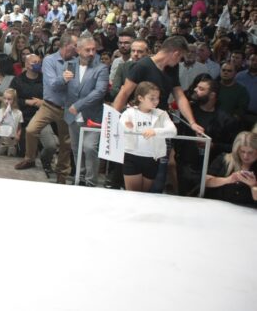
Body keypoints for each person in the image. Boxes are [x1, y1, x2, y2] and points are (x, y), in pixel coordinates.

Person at [113, 36, 204, 193]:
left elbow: (179, 95)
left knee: (160, 169)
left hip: (160, 122)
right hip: (138, 121)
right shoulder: (142, 66)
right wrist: (112, 120)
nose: (180, 61)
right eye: (180, 57)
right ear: (176, 53)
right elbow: (124, 93)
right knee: (135, 165)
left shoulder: (172, 68)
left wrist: (192, 122)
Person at [14, 34, 77, 184]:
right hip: (49, 105)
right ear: (66, 45)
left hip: (67, 107)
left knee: (66, 143)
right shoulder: (50, 60)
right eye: (75, 45)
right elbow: (53, 84)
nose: (77, 48)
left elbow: (75, 85)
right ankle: (30, 158)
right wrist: (64, 79)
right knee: (31, 130)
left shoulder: (75, 61)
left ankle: (62, 174)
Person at [63, 36, 109, 186]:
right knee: (76, 148)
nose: (91, 53)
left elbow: (99, 92)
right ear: (78, 50)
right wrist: (62, 79)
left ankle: (91, 182)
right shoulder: (69, 65)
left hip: (92, 115)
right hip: (72, 116)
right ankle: (80, 178)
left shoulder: (101, 68)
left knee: (89, 148)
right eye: (87, 50)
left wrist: (78, 105)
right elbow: (58, 86)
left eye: (93, 49)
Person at [120, 82, 177, 192]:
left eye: (157, 98)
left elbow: (173, 131)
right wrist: (127, 126)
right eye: (152, 98)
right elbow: (121, 126)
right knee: (133, 194)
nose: (156, 101)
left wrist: (155, 131)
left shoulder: (161, 114)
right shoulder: (129, 113)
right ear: (140, 98)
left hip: (152, 158)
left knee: (145, 195)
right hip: (132, 156)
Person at [204, 131, 257, 207]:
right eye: (242, 151)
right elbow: (205, 182)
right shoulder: (224, 159)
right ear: (237, 150)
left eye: (250, 152)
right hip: (216, 206)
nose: (245, 156)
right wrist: (228, 180)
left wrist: (253, 185)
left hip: (245, 210)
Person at [0, 88, 23, 156]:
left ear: (14, 100)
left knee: (11, 155)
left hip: (13, 139)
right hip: (2, 139)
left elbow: (19, 127)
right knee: (0, 155)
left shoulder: (18, 113)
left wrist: (18, 135)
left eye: (9, 99)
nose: (6, 101)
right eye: (4, 98)